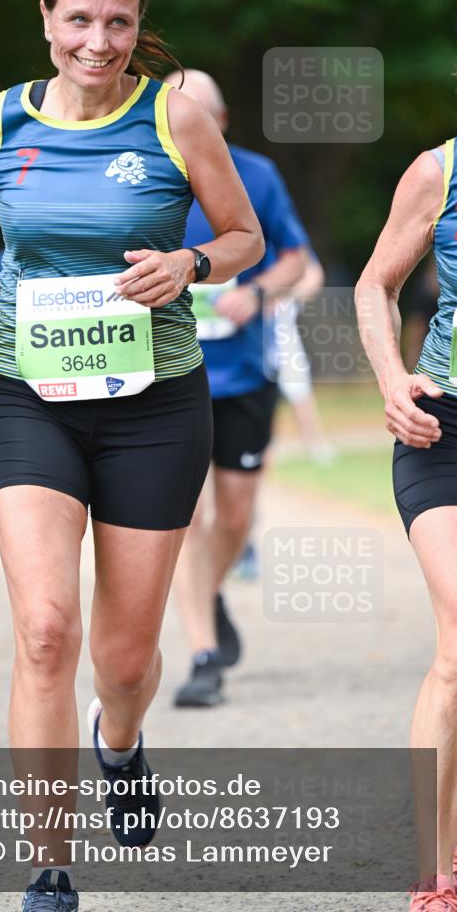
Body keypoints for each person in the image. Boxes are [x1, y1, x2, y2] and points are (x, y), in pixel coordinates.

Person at [0, 0, 264, 911]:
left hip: (155, 405)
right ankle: (49, 864)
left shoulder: (177, 116)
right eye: (79, 19)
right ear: (46, 19)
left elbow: (245, 236)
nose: (98, 41)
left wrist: (192, 264)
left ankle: (121, 742)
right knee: (42, 628)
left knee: (121, 658)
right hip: (29, 394)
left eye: (117, 21)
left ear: (137, 27)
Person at [164, 70, 307, 708]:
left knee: (236, 516)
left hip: (245, 373)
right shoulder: (142, 175)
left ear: (219, 123)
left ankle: (208, 588)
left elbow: (296, 259)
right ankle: (201, 655)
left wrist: (255, 291)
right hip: (168, 372)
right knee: (186, 518)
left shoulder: (257, 175)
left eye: (197, 113)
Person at [355, 138, 457, 910]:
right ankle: (436, 871)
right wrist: (393, 381)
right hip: (442, 430)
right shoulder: (439, 171)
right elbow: (373, 286)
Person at [274, 247, 335, 463]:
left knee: (299, 388)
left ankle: (315, 446)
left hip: (281, 330)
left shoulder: (281, 232)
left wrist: (284, 294)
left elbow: (314, 276)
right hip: (244, 332)